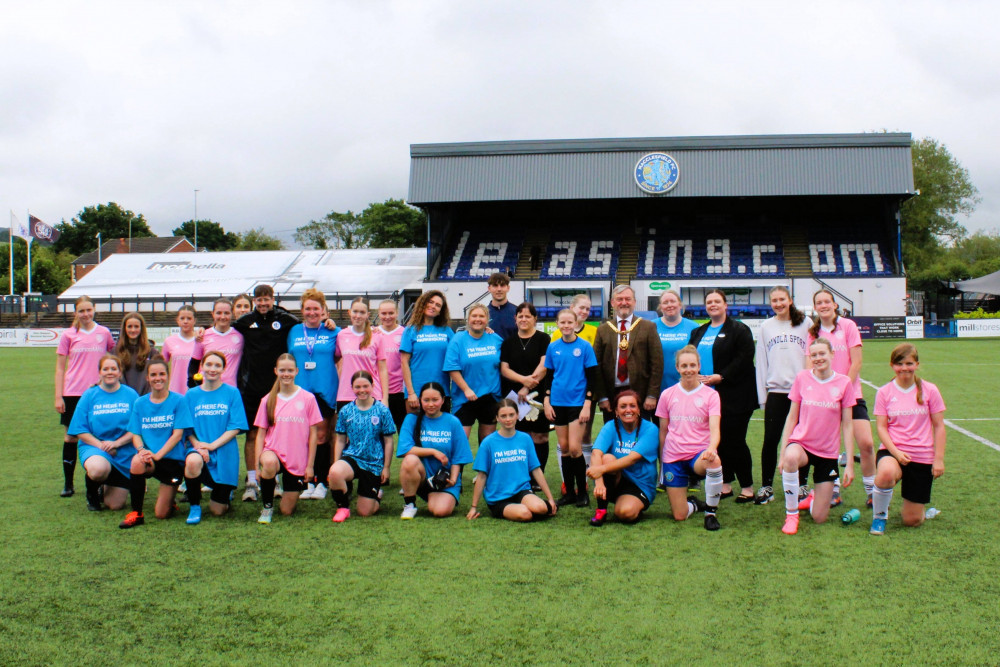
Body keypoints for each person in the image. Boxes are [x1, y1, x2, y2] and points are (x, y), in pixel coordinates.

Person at [777, 338, 856, 535]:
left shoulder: (844, 383)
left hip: (827, 453)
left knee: (819, 518)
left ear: (832, 354)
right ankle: (791, 514)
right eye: (814, 355)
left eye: (822, 354)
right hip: (802, 444)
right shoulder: (802, 378)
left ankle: (813, 497)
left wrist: (851, 464)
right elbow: (791, 417)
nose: (818, 358)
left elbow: (847, 425)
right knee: (791, 457)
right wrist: (782, 454)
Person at [808, 289, 876, 507]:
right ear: (815, 307)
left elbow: (856, 362)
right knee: (829, 447)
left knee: (865, 443)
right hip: (824, 399)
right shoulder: (813, 331)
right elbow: (811, 365)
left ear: (835, 305)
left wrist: (842, 389)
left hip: (851, 395)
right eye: (819, 302)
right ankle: (834, 489)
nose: (824, 305)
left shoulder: (848, 326)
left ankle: (872, 490)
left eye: (827, 301)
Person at [688, 289, 757, 503]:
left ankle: (747, 486)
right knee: (717, 442)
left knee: (735, 441)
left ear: (725, 305)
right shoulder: (699, 332)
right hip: (707, 398)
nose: (713, 305)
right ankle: (726, 483)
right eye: (709, 302)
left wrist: (722, 376)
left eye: (717, 301)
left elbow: (744, 359)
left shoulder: (739, 329)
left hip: (735, 397)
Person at [870, 344, 947, 535]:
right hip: (892, 451)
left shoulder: (930, 390)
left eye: (909, 363)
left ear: (917, 364)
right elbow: (881, 427)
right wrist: (896, 452)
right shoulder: (885, 392)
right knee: (886, 473)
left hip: (922, 456)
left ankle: (921, 512)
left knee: (912, 521)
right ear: (892, 365)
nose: (904, 368)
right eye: (899, 363)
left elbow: (939, 426)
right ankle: (879, 516)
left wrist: (938, 459)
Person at [233, 285, 299, 501]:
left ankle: (274, 478)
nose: (262, 303)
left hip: (277, 390)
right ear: (254, 301)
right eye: (259, 300)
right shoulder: (245, 321)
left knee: (277, 434)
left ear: (273, 299)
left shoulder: (285, 319)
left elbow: (308, 325)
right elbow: (222, 329)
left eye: (266, 299)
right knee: (252, 435)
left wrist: (330, 322)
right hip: (250, 389)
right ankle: (251, 481)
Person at [655, 345, 725, 529]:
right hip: (673, 457)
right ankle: (693, 504)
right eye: (684, 366)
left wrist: (711, 449)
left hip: (698, 456)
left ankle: (710, 513)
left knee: (714, 461)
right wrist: (662, 462)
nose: (688, 370)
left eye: (692, 365)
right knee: (679, 515)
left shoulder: (711, 395)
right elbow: (663, 431)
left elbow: (715, 429)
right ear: (677, 368)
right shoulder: (667, 394)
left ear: (699, 366)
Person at [121, 357, 194, 528]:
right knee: (137, 461)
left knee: (161, 514)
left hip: (172, 461)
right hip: (150, 459)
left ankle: (170, 501)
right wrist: (141, 450)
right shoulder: (140, 403)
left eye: (161, 374)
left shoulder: (179, 400)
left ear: (167, 376)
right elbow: (135, 433)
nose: (157, 378)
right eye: (153, 375)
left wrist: (158, 455)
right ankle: (136, 513)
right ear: (147, 378)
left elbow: (177, 435)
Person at [753, 286, 810, 505]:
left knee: (802, 440)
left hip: (803, 394)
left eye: (782, 299)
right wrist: (763, 396)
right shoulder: (767, 326)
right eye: (774, 300)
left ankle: (802, 483)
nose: (778, 304)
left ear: (790, 300)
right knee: (771, 441)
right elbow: (761, 363)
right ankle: (767, 485)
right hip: (776, 393)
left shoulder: (805, 324)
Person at [55, 295, 116, 497]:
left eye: (89, 310)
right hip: (73, 392)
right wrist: (58, 396)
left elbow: (112, 360)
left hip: (98, 393)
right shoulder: (69, 335)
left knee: (97, 435)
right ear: (76, 313)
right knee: (71, 437)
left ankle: (97, 480)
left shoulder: (104, 333)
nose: (86, 314)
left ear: (94, 310)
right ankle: (68, 483)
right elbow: (60, 368)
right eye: (81, 311)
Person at [253, 354, 322, 524]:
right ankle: (267, 507)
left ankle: (286, 493)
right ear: (276, 371)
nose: (286, 374)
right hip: (273, 451)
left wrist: (310, 466)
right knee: (268, 463)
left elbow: (314, 435)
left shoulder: (308, 398)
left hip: (297, 459)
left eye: (290, 370)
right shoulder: (268, 400)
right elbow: (260, 434)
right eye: (282, 370)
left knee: (286, 511)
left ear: (297, 371)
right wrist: (256, 466)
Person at [183, 351, 249, 524]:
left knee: (218, 511)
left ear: (224, 369)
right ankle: (194, 506)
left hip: (224, 451)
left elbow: (235, 427)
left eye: (217, 365)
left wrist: (212, 446)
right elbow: (186, 428)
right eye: (209, 364)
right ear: (202, 367)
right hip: (198, 449)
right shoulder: (191, 395)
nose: (212, 369)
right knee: (192, 462)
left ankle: (225, 493)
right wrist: (198, 446)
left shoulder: (232, 393)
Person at [67, 353, 138, 512]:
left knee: (115, 505)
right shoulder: (89, 395)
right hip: (94, 446)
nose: (110, 372)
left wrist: (116, 443)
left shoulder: (131, 395)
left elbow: (137, 428)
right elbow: (79, 429)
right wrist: (102, 446)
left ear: (120, 372)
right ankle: (92, 492)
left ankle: (104, 486)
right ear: (99, 372)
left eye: (114, 369)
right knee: (99, 469)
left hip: (123, 450)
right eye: (105, 369)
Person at [467, 399, 557, 521]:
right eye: (503, 416)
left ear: (517, 415)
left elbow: (536, 470)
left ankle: (532, 505)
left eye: (511, 415)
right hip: (498, 497)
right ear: (497, 418)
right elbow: (482, 476)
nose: (508, 419)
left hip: (521, 491)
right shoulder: (488, 443)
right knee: (525, 514)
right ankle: (512, 509)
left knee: (541, 508)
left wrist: (550, 499)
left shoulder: (525, 439)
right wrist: (474, 507)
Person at [288, 289, 339, 500]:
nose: (311, 312)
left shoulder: (333, 331)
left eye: (316, 308)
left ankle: (321, 482)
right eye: (308, 308)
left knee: (321, 436)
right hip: (299, 391)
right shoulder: (293, 331)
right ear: (302, 310)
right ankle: (305, 480)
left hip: (324, 390)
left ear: (323, 311)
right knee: (301, 437)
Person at [544, 308, 598, 507]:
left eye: (570, 322)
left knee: (576, 449)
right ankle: (569, 493)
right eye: (562, 322)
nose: (566, 326)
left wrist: (587, 404)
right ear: (557, 324)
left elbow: (592, 377)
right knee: (565, 449)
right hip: (558, 403)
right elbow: (549, 376)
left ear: (576, 324)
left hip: (577, 403)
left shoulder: (584, 347)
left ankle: (583, 492)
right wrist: (547, 400)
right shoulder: (553, 347)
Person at [327, 371, 397, 522]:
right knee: (335, 473)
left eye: (365, 386)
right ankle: (343, 508)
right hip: (352, 456)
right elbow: (340, 440)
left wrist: (386, 467)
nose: (362, 390)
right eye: (357, 387)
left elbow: (389, 441)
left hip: (373, 462)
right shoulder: (346, 411)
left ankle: (376, 495)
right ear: (352, 388)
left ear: (372, 386)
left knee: (365, 512)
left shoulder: (382, 410)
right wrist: (336, 462)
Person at [396, 382, 473, 519]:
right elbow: (405, 449)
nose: (431, 404)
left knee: (440, 511)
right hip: (422, 476)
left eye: (435, 400)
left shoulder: (453, 421)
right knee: (410, 460)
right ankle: (410, 505)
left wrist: (454, 479)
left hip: (443, 478)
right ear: (420, 400)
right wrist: (433, 451)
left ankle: (435, 495)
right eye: (426, 400)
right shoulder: (411, 419)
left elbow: (458, 457)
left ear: (443, 400)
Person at [586, 391, 659, 526]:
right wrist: (599, 483)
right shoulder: (610, 426)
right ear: (616, 411)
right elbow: (596, 453)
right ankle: (601, 510)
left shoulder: (650, 429)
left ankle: (633, 505)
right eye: (623, 406)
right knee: (607, 457)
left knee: (625, 513)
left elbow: (632, 459)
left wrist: (600, 469)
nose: (628, 410)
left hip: (640, 484)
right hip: (616, 480)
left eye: (632, 406)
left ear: (638, 409)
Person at [592, 285, 663, 423]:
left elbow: (657, 363)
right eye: (619, 299)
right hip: (612, 395)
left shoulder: (648, 327)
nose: (624, 302)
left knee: (640, 437)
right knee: (615, 436)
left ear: (634, 302)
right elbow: (597, 365)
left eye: (628, 299)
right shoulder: (603, 329)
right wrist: (602, 397)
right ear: (612, 303)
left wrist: (652, 395)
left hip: (640, 394)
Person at [500, 302, 550, 477]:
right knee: (521, 437)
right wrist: (523, 382)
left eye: (528, 316)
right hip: (515, 397)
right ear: (515, 319)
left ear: (535, 319)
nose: (524, 319)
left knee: (540, 437)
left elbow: (544, 366)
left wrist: (527, 386)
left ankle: (539, 475)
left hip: (538, 394)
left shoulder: (544, 339)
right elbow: (504, 369)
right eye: (520, 316)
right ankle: (522, 475)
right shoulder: (508, 342)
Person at [444, 304, 503, 442]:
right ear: (468, 319)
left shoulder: (495, 339)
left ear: (487, 319)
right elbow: (452, 368)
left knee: (487, 443)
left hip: (490, 397)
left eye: (481, 316)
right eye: (474, 316)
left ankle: (484, 465)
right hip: (465, 397)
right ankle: (457, 465)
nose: (478, 319)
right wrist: (466, 389)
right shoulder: (458, 339)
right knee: (460, 442)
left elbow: (504, 365)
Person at [400, 290, 454, 413]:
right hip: (416, 393)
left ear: (441, 310)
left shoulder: (447, 331)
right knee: (416, 431)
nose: (433, 306)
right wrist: (411, 393)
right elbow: (404, 363)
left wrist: (485, 331)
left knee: (440, 431)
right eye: (431, 302)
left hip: (441, 393)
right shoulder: (410, 330)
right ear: (423, 303)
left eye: (438, 305)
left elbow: (462, 348)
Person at [336, 297, 389, 410]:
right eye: (355, 311)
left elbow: (383, 369)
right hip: (346, 395)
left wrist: (385, 398)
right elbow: (336, 360)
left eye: (362, 312)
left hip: (372, 395)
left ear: (368, 315)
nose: (358, 316)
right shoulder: (341, 335)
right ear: (349, 312)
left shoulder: (377, 336)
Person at [654, 290, 699, 393]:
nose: (669, 305)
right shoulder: (651, 326)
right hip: (658, 386)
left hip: (686, 385)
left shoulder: (694, 327)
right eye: (665, 302)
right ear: (661, 307)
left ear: (680, 304)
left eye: (672, 301)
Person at [376, 299, 407, 431]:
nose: (387, 317)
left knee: (404, 432)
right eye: (384, 313)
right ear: (379, 314)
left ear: (397, 313)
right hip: (379, 392)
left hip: (400, 391)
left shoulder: (405, 332)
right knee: (379, 433)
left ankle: (406, 453)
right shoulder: (373, 333)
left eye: (391, 313)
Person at [199, 297, 244, 388]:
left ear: (232, 314)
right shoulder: (202, 335)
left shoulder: (240, 336)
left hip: (230, 389)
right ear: (212, 314)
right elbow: (194, 364)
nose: (223, 317)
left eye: (226, 313)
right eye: (219, 313)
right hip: (207, 387)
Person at [161, 305, 202, 395]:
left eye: (189, 318)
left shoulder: (200, 340)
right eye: (182, 318)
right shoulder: (169, 341)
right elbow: (161, 366)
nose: (185, 321)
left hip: (196, 388)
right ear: (177, 320)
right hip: (175, 390)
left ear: (194, 320)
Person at [115, 312, 157, 395]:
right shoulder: (116, 352)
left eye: (136, 326)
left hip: (145, 399)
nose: (133, 330)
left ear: (141, 328)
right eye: (129, 326)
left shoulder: (151, 352)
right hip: (123, 399)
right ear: (124, 328)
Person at [486, 272, 518, 341]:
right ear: (489, 288)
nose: (499, 289)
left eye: (502, 285)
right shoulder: (482, 314)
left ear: (508, 288)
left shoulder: (518, 312)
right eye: (495, 285)